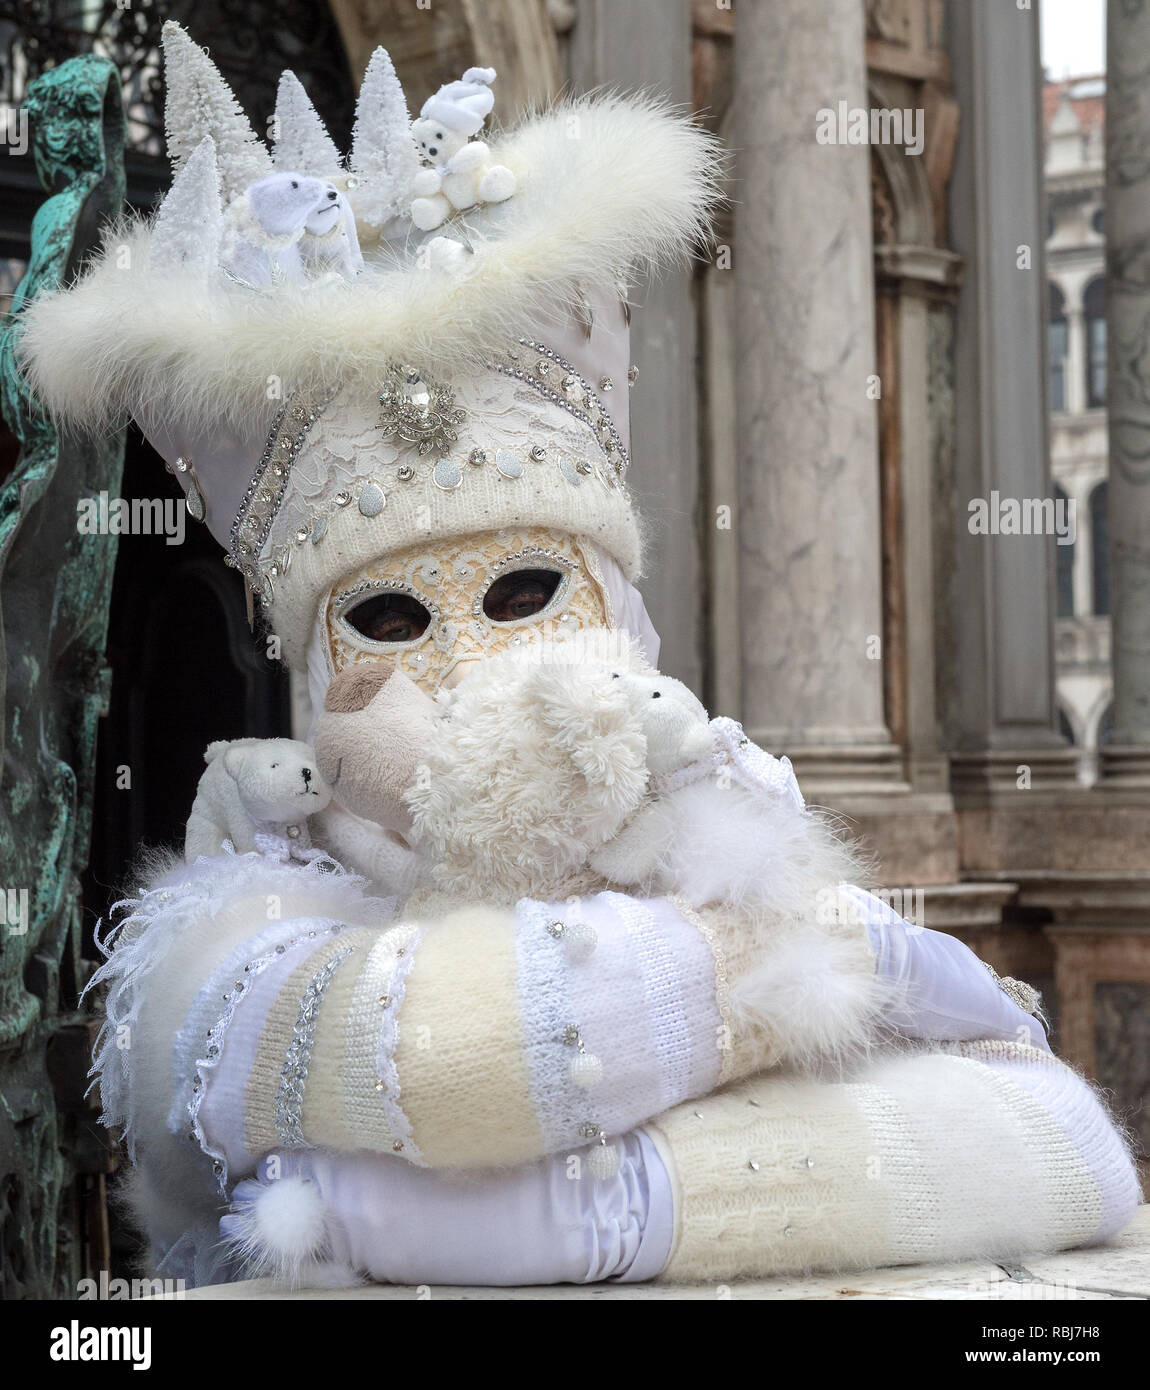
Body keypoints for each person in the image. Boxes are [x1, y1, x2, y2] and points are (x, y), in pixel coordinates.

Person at [20, 24, 1139, 1289]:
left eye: (525, 590)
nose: (464, 671)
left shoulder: (713, 815)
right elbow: (454, 1054)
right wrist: (832, 963)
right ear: (314, 669)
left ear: (613, 610)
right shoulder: (246, 918)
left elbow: (1062, 1153)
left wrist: (464, 1201)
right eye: (386, 618)